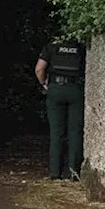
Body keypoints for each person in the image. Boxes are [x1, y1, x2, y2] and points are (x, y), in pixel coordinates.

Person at [36, 37, 86, 180]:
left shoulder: (51, 46)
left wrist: (45, 85)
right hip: (76, 90)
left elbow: (39, 69)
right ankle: (73, 173)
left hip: (56, 90)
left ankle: (55, 173)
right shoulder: (81, 47)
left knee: (56, 132)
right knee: (75, 132)